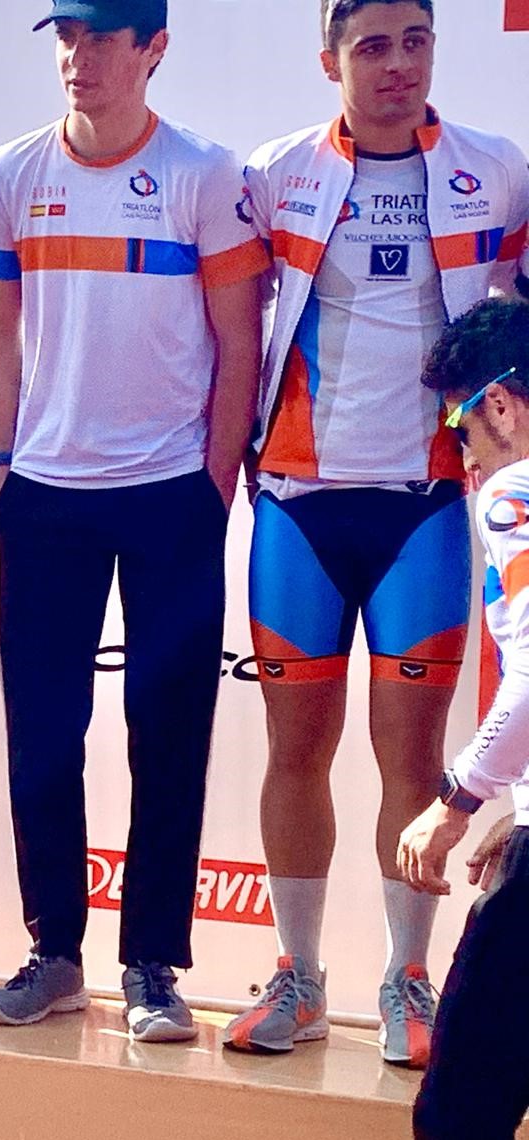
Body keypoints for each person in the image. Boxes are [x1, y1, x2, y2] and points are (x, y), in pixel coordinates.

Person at [224, 0, 529, 1068]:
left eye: (415, 42)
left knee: (413, 756)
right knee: (294, 750)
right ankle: (299, 977)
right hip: (299, 500)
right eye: (371, 46)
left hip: (425, 500)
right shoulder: (276, 172)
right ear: (330, 60)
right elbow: (217, 314)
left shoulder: (496, 170)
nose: (397, 65)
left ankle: (409, 980)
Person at [0, 0, 266, 1041]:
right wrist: (2, 464)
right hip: (45, 495)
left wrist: (212, 482)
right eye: (66, 38)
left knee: (167, 733)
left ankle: (152, 966)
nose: (77, 58)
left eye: (101, 39)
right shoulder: (11, 171)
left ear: (153, 50)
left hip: (169, 492)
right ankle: (54, 953)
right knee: (45, 736)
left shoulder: (204, 174)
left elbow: (239, 339)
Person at [397, 296, 529, 1140]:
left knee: (457, 1117)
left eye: (459, 426)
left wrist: (456, 800)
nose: (462, 455)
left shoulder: (513, 494)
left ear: (502, 407)